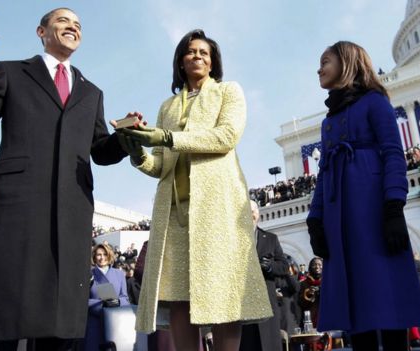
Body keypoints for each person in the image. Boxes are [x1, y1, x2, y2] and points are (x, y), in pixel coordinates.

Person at [0, 9, 128, 350]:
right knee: (7, 314)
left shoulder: (92, 92)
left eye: (78, 24)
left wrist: (125, 138)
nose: (72, 27)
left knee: (60, 322)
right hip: (17, 206)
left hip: (72, 212)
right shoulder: (13, 72)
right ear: (41, 31)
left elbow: (100, 151)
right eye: (63, 21)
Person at [118, 29, 272, 351]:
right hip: (174, 212)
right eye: (191, 52)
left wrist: (166, 138)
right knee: (177, 297)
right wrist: (136, 152)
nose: (197, 56)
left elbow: (225, 137)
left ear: (213, 61)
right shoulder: (168, 107)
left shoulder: (229, 92)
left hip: (218, 208)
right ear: (181, 61)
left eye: (204, 52)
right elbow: (160, 166)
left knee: (223, 293)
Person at [306, 40, 420, 350]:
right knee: (353, 298)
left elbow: (393, 152)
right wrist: (315, 218)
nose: (319, 69)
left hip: (372, 210)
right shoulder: (329, 121)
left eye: (326, 61)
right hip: (339, 217)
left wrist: (393, 206)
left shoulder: (375, 102)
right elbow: (324, 173)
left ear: (347, 62)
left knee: (385, 293)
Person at [240, 200, 289, 351]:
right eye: (247, 211)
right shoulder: (236, 240)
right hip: (243, 303)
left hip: (267, 304)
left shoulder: (271, 238)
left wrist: (269, 267)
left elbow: (284, 266)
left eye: (253, 211)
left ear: (258, 214)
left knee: (268, 345)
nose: (251, 214)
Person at [83, 244, 130, 351]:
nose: (102, 257)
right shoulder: (88, 274)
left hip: (114, 322)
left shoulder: (119, 274)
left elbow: (125, 298)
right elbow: (82, 301)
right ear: (94, 257)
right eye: (99, 255)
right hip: (94, 323)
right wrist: (102, 304)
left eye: (105, 254)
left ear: (109, 255)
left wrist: (117, 302)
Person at [298, 257, 323, 329]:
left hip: (327, 316)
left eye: (319, 264)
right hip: (310, 319)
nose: (317, 267)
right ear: (310, 267)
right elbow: (301, 303)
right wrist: (308, 294)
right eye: (314, 265)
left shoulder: (328, 282)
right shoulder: (304, 283)